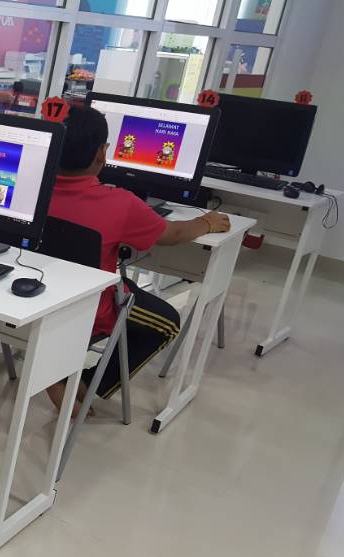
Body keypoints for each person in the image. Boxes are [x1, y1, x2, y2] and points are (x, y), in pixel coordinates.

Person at [44, 106, 232, 411]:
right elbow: (172, 234)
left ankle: (55, 371)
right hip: (92, 308)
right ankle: (83, 384)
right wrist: (206, 222)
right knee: (167, 322)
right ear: (102, 153)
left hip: (39, 297)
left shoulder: (35, 190)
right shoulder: (119, 203)